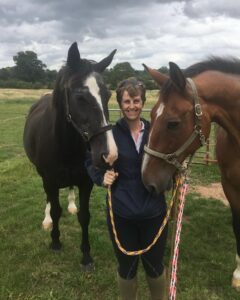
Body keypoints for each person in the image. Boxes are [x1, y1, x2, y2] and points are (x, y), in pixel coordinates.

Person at [85, 77, 168, 300]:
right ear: (121, 104)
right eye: (127, 101)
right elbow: (89, 160)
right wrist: (102, 176)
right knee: (127, 268)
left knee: (155, 266)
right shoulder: (109, 134)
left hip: (154, 213)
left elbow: (170, 160)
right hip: (122, 214)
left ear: (143, 102)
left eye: (136, 100)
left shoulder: (155, 132)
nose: (132, 106)